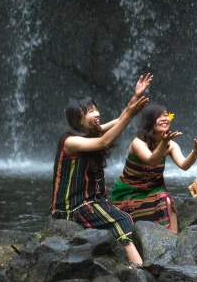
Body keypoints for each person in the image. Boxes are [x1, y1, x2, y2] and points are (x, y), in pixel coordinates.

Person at [50, 74, 153, 267]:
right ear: (78, 120)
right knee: (121, 219)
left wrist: (136, 97)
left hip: (88, 202)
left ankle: (125, 261)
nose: (96, 114)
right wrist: (130, 113)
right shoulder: (70, 141)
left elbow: (118, 121)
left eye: (95, 109)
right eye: (89, 112)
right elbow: (104, 141)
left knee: (126, 213)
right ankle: (139, 268)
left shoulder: (90, 134)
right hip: (71, 209)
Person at [112, 104, 197, 233]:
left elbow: (184, 165)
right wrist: (164, 142)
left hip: (152, 190)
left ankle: (174, 239)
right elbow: (152, 160)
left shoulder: (171, 145)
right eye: (159, 116)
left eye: (165, 115)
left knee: (166, 200)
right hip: (129, 192)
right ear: (149, 122)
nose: (164, 118)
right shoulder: (138, 143)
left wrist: (195, 151)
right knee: (163, 198)